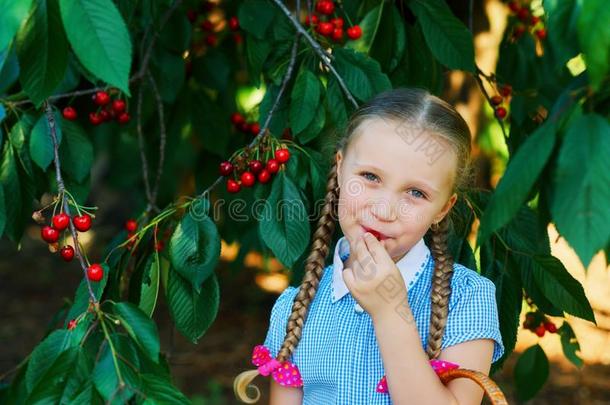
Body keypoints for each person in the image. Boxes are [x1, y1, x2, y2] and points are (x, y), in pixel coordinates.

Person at [234, 88, 504, 404]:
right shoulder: (296, 309)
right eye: (370, 176)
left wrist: (390, 312)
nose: (384, 210)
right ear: (339, 169)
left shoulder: (467, 299)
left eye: (416, 193)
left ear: (443, 208)